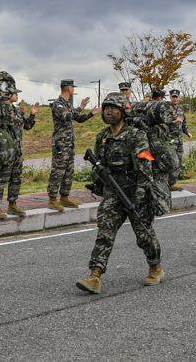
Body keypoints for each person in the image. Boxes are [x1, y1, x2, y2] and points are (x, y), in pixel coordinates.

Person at [76, 93, 163, 293]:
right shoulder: (103, 137)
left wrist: (139, 196)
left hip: (135, 191)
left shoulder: (136, 135)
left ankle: (155, 267)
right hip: (113, 191)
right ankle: (95, 276)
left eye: (113, 108)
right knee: (105, 232)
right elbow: (97, 163)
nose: (108, 112)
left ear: (123, 112)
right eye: (106, 108)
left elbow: (145, 168)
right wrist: (98, 177)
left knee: (143, 234)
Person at [47, 79, 93, 211]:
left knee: (69, 172)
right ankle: (52, 199)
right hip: (60, 145)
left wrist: (91, 114)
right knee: (58, 171)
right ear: (68, 88)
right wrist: (81, 107)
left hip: (69, 145)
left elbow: (78, 118)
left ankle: (64, 197)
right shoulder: (58, 104)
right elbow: (66, 116)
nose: (74, 90)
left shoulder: (67, 104)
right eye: (73, 87)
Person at [0, 89, 38, 217]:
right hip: (6, 151)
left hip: (17, 152)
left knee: (16, 179)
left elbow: (26, 126)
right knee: (2, 179)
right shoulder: (2, 109)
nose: (17, 95)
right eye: (15, 93)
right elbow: (11, 122)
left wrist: (32, 115)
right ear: (7, 94)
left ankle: (12, 204)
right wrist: (22, 112)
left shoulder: (16, 111)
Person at [168, 89, 192, 190]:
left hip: (179, 141)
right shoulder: (167, 109)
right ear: (170, 98)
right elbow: (164, 122)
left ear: (179, 98)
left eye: (176, 97)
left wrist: (188, 132)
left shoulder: (181, 111)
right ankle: (165, 183)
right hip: (170, 141)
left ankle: (172, 184)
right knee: (170, 162)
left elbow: (184, 124)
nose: (175, 99)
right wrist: (174, 121)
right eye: (173, 97)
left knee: (178, 163)